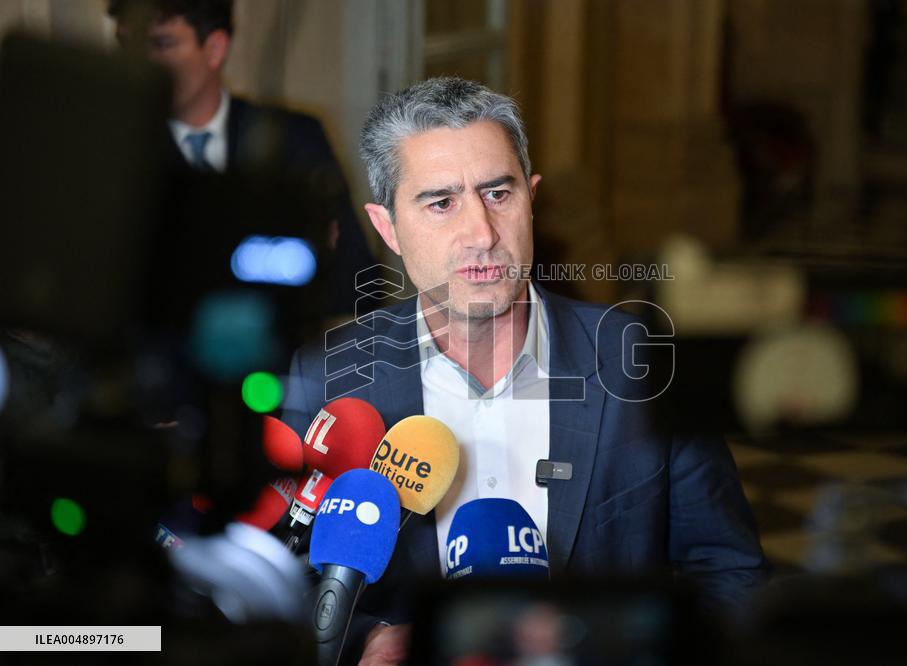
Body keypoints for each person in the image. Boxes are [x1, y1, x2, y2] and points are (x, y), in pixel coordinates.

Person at [281, 77, 769, 665]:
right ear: (387, 228)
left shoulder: (644, 362)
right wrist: (364, 642)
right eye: (441, 202)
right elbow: (282, 587)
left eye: (497, 194)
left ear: (531, 198)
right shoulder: (326, 380)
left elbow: (729, 571)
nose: (481, 234)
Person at [108, 0, 375, 317]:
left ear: (215, 49)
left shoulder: (293, 138)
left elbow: (362, 284)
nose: (137, 63)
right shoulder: (110, 149)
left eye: (161, 44)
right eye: (127, 44)